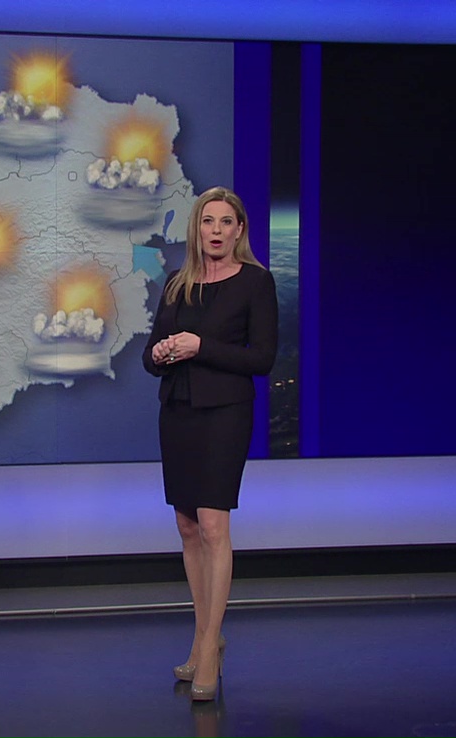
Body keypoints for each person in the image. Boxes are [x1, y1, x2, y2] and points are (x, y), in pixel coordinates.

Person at [141, 186, 278, 701]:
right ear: (196, 228)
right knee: (187, 526)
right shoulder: (177, 284)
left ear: (239, 230)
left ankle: (207, 648)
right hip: (178, 410)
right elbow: (149, 359)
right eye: (207, 221)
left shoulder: (256, 282)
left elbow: (261, 358)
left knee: (214, 525)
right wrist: (163, 354)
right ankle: (206, 636)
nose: (216, 231)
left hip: (225, 413)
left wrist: (202, 346)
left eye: (225, 222)